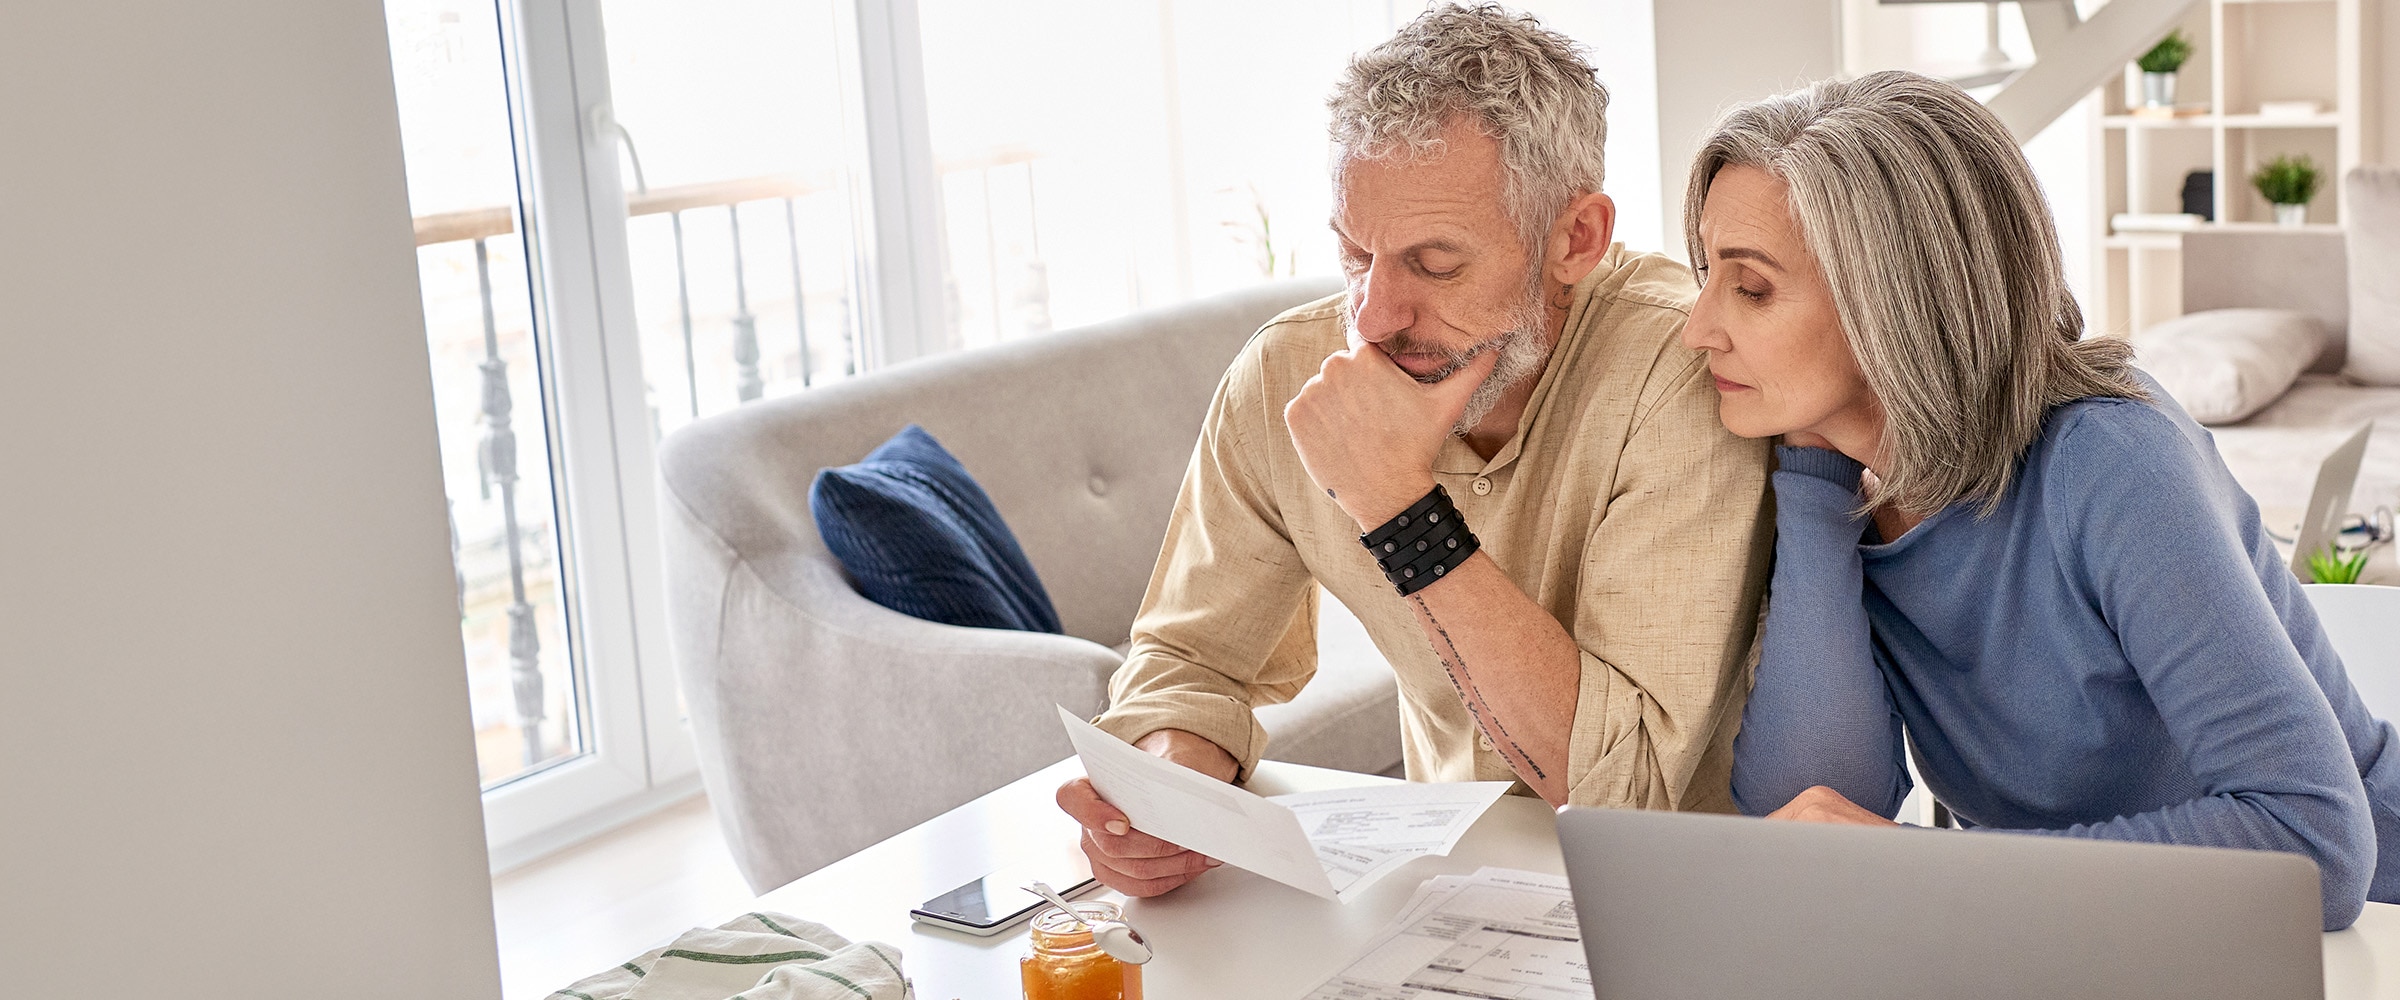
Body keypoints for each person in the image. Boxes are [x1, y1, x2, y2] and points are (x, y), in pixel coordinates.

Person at [1055, 3, 1774, 898]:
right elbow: (1189, 662)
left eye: (1435, 265)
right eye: (1357, 254)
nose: (1373, 316)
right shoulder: (1287, 371)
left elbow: (1620, 792)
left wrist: (1401, 510)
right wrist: (1171, 785)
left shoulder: (1685, 372)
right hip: (1445, 895)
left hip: (1685, 901)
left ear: (1575, 238)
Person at [1685, 70, 2400, 931]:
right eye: (1706, 275)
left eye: (1750, 288)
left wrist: (1935, 865)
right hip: (2091, 938)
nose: (1699, 328)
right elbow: (1807, 813)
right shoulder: (1845, 481)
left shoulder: (2109, 458)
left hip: (2359, 938)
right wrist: (1811, 484)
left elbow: (2313, 843)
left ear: (1895, 299)